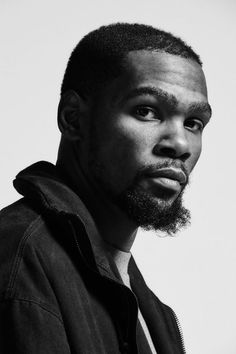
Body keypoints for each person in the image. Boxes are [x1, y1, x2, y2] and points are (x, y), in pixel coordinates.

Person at [0, 23, 211, 353]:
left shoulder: (150, 310)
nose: (181, 143)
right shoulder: (19, 259)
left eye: (193, 123)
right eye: (146, 110)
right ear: (73, 119)